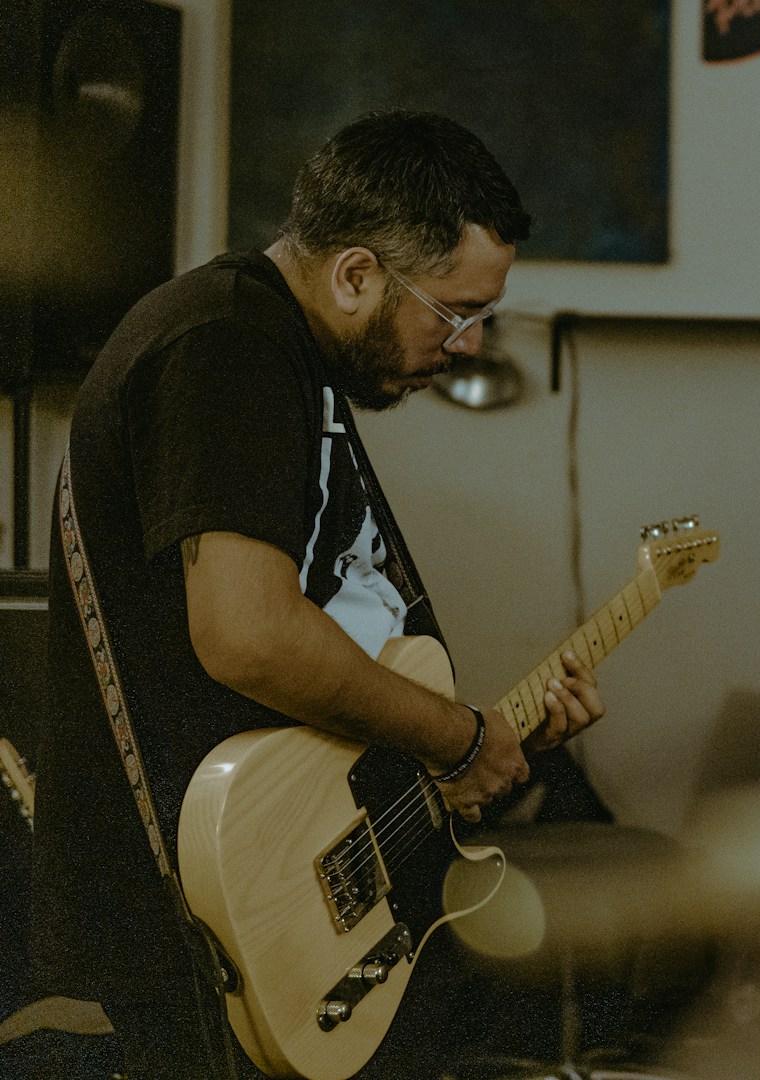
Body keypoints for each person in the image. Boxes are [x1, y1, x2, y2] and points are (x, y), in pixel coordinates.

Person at [32, 110, 606, 1079]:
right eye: (456, 312)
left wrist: (483, 736)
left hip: (299, 871)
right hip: (212, 905)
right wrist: (455, 736)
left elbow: (327, 644)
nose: (467, 344)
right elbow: (250, 637)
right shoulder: (224, 345)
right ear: (355, 275)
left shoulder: (287, 355)